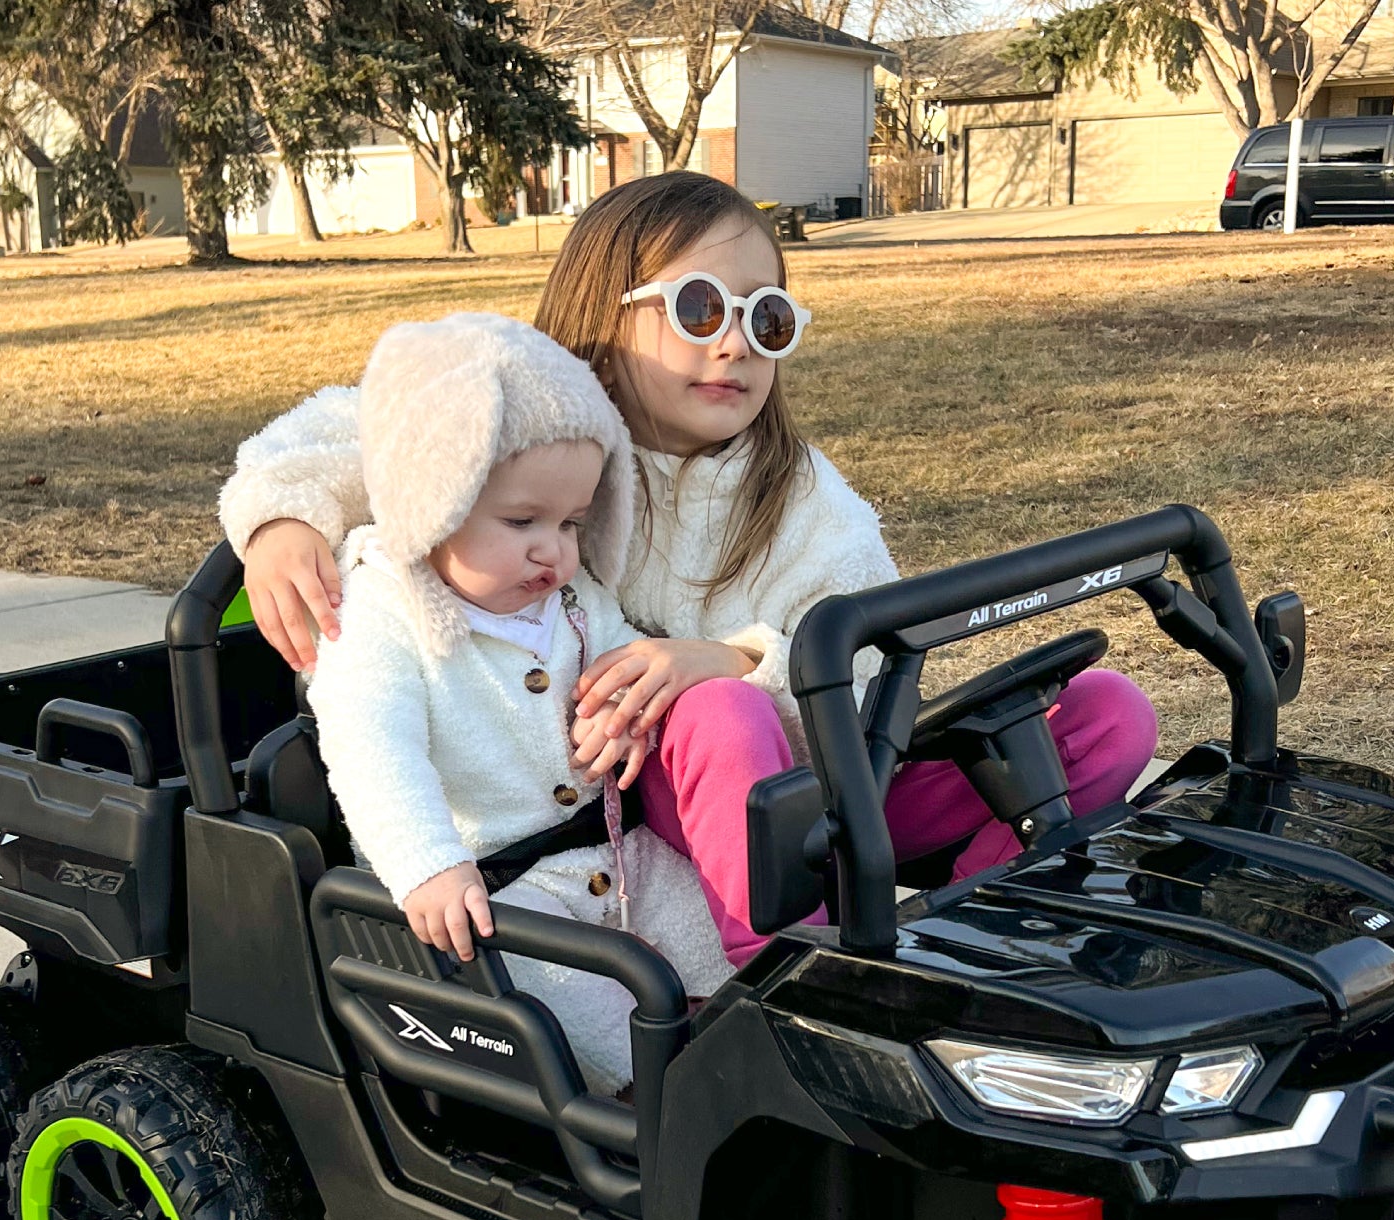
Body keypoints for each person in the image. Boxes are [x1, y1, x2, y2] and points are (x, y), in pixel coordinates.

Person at [220, 172, 1159, 967]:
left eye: (768, 317)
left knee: (1112, 713)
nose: (736, 342)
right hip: (671, 783)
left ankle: (959, 937)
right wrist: (283, 515)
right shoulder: (535, 416)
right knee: (716, 714)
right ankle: (787, 976)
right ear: (602, 312)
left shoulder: (798, 491)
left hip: (834, 775)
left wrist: (737, 657)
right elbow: (361, 423)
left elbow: (871, 658)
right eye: (701, 307)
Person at [302, 311, 732, 1091]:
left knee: (724, 951)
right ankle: (652, 1109)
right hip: (496, 892)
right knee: (583, 1010)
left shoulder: (573, 599)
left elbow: (621, 659)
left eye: (571, 522)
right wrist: (427, 864)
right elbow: (370, 747)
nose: (553, 549)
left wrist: (629, 709)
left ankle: (736, 1069)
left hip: (614, 854)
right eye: (521, 520)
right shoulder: (385, 612)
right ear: (434, 498)